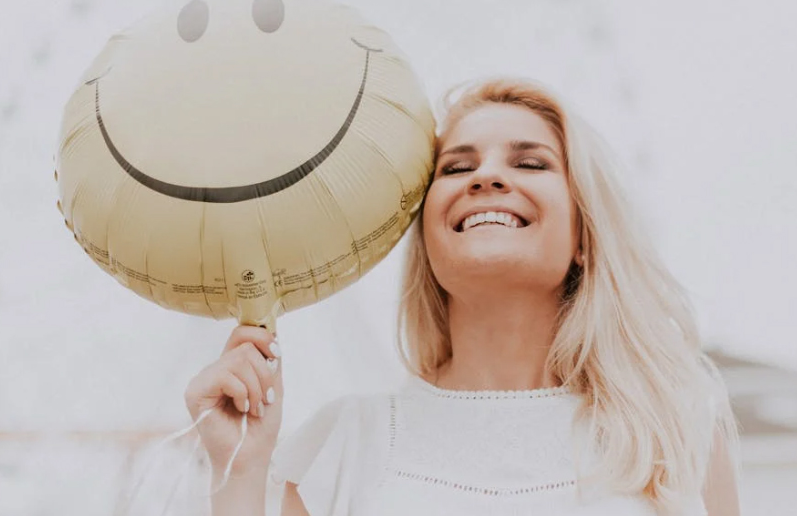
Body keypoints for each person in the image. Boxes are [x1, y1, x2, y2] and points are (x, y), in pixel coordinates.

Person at [185, 78, 741, 515]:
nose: (488, 177)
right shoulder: (346, 446)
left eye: (530, 163)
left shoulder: (673, 434)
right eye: (457, 167)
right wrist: (238, 470)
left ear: (586, 239)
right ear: (426, 238)